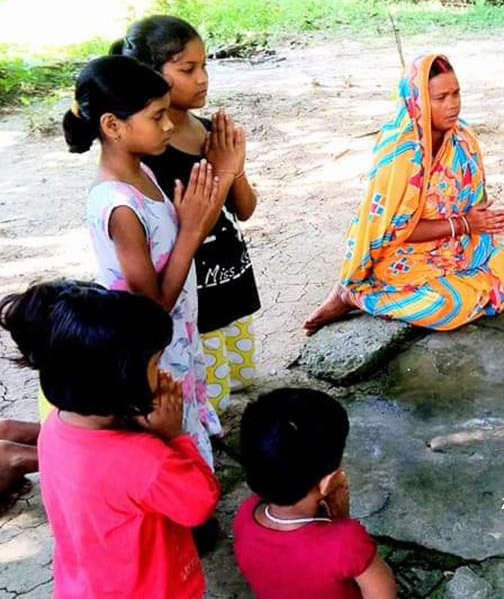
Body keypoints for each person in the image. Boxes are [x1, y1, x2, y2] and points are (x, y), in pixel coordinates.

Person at [0, 280, 220, 598]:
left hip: (84, 586)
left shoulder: (55, 427)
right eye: (155, 363)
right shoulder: (146, 458)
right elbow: (199, 505)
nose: (162, 375)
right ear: (120, 380)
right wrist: (174, 436)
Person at [62, 55, 222, 466]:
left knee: (188, 405)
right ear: (113, 126)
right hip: (153, 348)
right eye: (157, 117)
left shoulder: (141, 173)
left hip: (177, 336)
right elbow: (148, 311)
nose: (170, 125)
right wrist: (191, 233)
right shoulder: (120, 206)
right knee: (170, 430)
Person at [304, 54, 504, 334]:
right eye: (440, 97)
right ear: (417, 101)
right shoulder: (402, 154)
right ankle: (354, 295)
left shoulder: (463, 137)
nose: (452, 105)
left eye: (456, 94)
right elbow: (395, 231)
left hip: (452, 243)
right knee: (445, 307)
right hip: (400, 252)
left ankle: (458, 287)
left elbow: (475, 198)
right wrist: (465, 224)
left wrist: (480, 218)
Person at [115, 15, 260, 415]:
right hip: (194, 297)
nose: (203, 78)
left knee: (237, 380)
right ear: (151, 74)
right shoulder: (150, 151)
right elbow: (192, 225)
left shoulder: (211, 130)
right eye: (188, 69)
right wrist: (226, 169)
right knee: (204, 395)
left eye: (205, 65)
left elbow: (244, 209)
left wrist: (236, 165)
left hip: (229, 279)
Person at [233, 388, 396, 599]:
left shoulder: (245, 515)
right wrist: (342, 521)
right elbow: (383, 594)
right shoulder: (348, 543)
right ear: (328, 482)